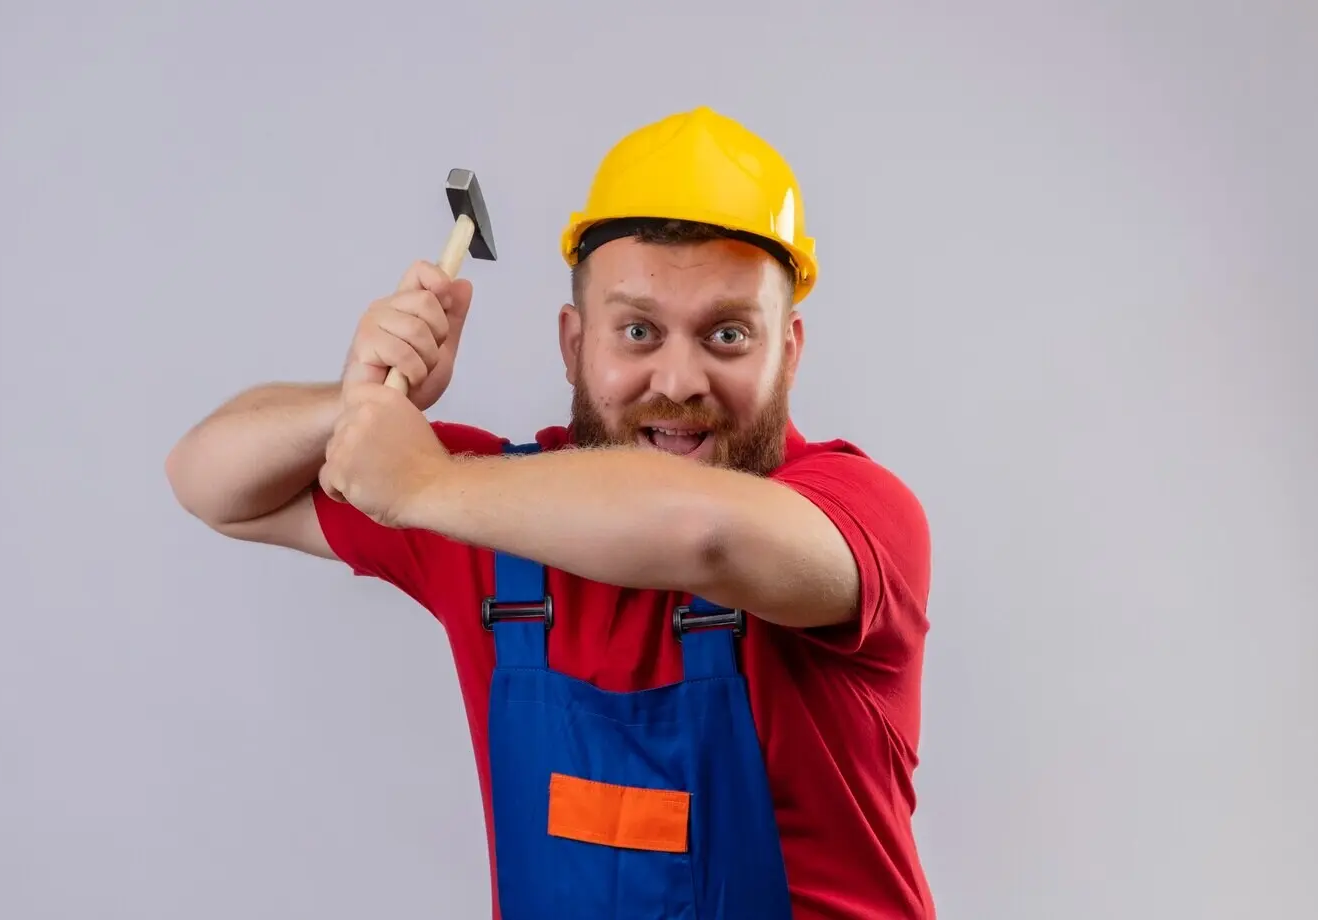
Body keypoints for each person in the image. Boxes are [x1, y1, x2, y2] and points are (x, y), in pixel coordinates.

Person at [165, 106, 936, 920]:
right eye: (637, 330)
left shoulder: (857, 515)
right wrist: (355, 399)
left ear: (790, 351)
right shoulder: (495, 515)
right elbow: (208, 477)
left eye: (729, 335)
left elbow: (703, 534)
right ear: (574, 344)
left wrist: (424, 482)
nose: (679, 379)